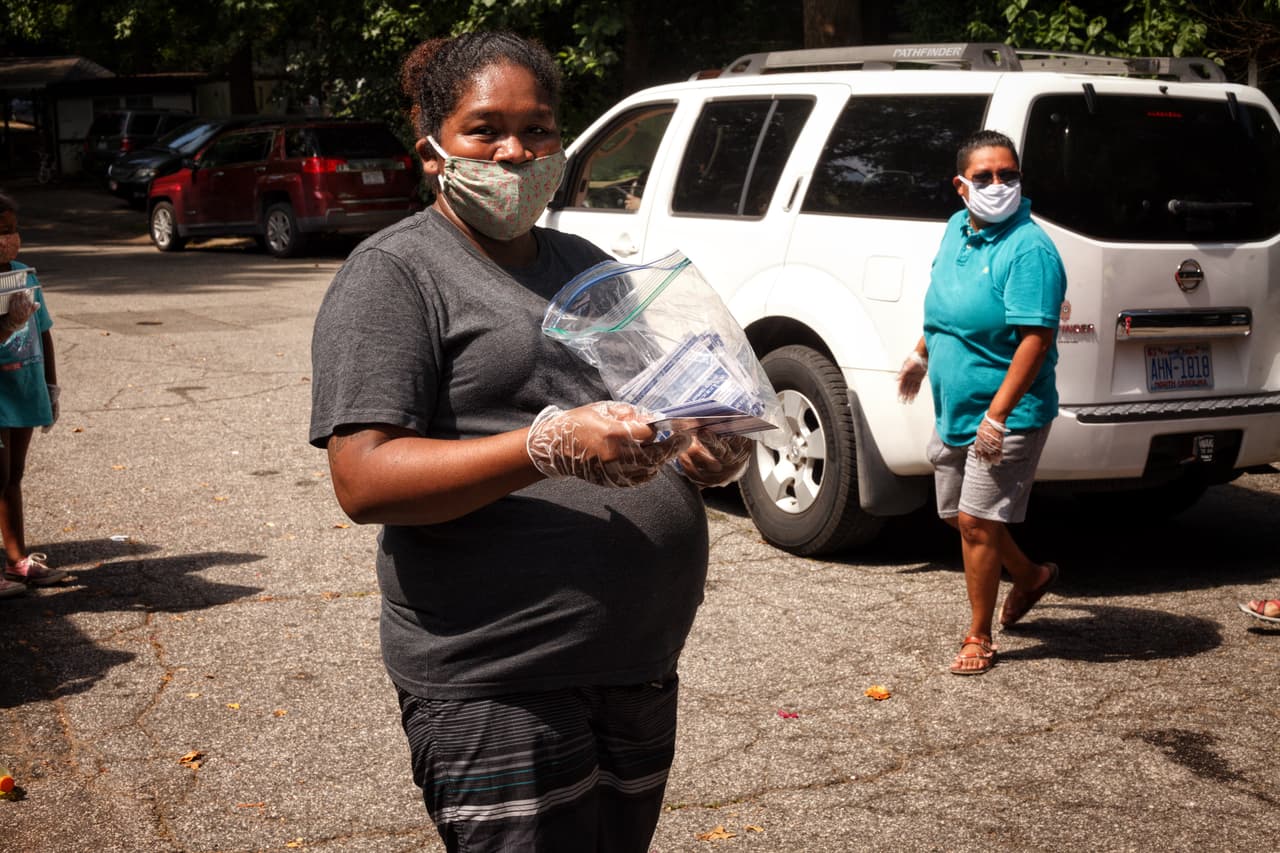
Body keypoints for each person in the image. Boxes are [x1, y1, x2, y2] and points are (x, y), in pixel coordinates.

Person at [308, 31, 751, 852]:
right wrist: (538, 447)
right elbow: (363, 478)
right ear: (434, 151)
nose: (516, 151)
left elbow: (654, 406)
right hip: (500, 680)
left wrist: (703, 446)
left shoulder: (589, 264)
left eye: (538, 129)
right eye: (486, 129)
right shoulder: (396, 274)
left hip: (635, 662)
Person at [897, 130, 1066, 676]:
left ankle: (978, 635)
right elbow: (943, 303)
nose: (999, 185)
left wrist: (997, 416)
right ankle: (1031, 575)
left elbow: (1035, 341)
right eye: (986, 176)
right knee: (956, 514)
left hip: (1006, 414)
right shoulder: (956, 229)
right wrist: (921, 355)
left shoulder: (1030, 250)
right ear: (961, 186)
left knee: (975, 520)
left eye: (1008, 175)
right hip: (955, 406)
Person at [0, 191, 64, 599]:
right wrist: (6, 324)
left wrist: (51, 385)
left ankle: (17, 559)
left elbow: (43, 332)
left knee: (13, 476)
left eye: (10, 230)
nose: (7, 239)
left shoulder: (24, 274)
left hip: (24, 388)